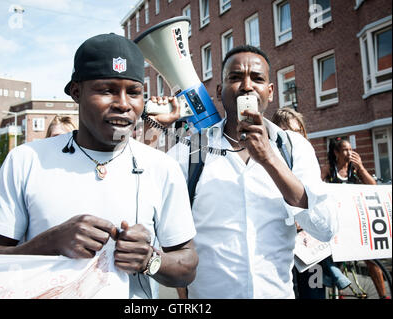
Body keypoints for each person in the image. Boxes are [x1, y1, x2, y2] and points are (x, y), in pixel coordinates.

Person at [0, 33, 198, 299]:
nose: (123, 104)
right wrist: (49, 243)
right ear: (76, 92)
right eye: (107, 90)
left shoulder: (163, 167)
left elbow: (187, 267)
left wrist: (149, 259)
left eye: (134, 92)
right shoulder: (26, 160)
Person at [154, 45, 337, 298]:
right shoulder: (191, 151)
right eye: (235, 77)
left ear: (270, 92)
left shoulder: (294, 148)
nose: (247, 86)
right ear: (219, 91)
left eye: (257, 78)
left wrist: (270, 159)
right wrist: (150, 126)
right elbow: (153, 212)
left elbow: (325, 228)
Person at [271, 107, 351, 299]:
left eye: (299, 132)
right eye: (287, 132)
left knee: (313, 292)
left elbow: (317, 198)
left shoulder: (306, 158)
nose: (294, 137)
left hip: (309, 243)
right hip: (281, 249)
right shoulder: (268, 161)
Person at [323, 137, 389, 299]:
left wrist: (361, 167)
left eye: (351, 149)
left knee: (371, 259)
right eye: (345, 149)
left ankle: (383, 295)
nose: (350, 152)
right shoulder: (329, 169)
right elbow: (316, 186)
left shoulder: (354, 169)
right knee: (337, 259)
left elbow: (373, 187)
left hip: (355, 220)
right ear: (336, 152)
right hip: (338, 221)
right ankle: (339, 293)